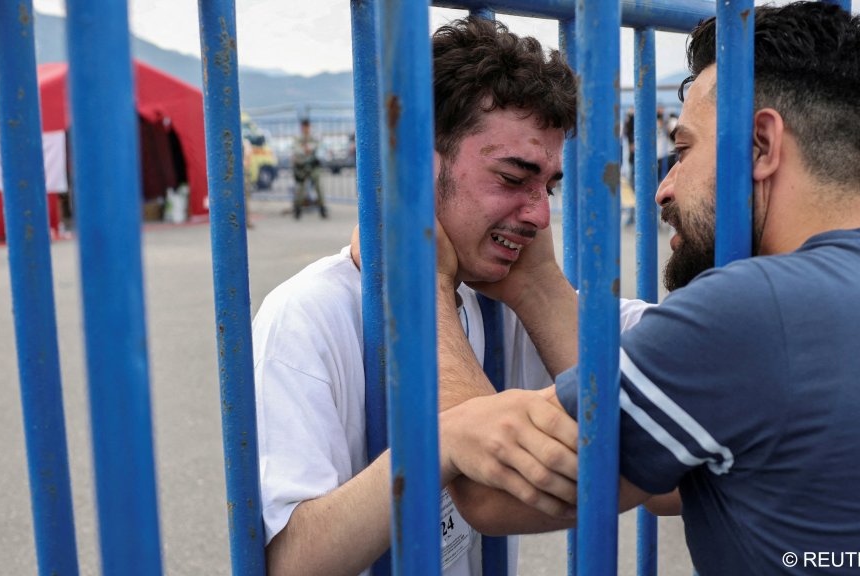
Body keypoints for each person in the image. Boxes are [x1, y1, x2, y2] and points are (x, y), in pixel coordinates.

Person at [442, 3, 860, 574]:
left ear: (760, 145)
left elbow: (492, 491)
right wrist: (538, 286)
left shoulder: (751, 310)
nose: (663, 188)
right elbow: (672, 480)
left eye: (683, 151)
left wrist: (422, 288)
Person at [252, 17, 638, 576]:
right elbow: (290, 561)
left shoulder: (493, 300)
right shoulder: (308, 314)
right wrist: (441, 443)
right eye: (512, 178)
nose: (541, 214)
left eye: (548, 186)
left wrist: (536, 285)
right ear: (414, 167)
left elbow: (641, 419)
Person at [292, 118, 328, 220]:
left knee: (318, 187)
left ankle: (322, 209)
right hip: (302, 167)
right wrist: (305, 150)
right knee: (301, 189)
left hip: (313, 166)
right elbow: (296, 150)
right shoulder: (298, 138)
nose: (306, 129)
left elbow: (319, 146)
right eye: (304, 127)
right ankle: (297, 209)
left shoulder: (313, 137)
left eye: (307, 126)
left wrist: (309, 148)